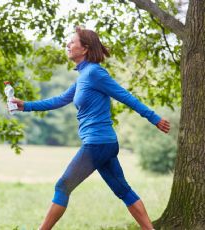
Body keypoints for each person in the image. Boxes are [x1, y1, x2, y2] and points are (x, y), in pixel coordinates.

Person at [11, 27, 171, 230]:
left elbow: (125, 96)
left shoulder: (95, 73)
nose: (68, 45)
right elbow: (60, 100)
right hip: (104, 144)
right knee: (123, 190)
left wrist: (154, 118)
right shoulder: (83, 77)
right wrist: (25, 106)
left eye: (72, 42)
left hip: (98, 143)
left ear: (85, 48)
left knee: (63, 186)